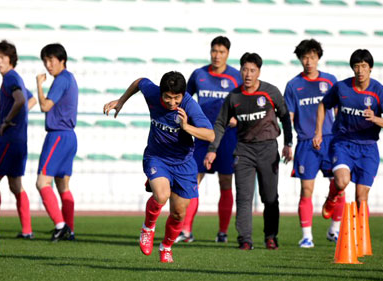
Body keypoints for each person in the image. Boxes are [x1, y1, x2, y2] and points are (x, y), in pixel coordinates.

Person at [103, 71, 214, 263]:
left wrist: (187, 127)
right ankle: (148, 228)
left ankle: (166, 246)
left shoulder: (189, 105)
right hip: (157, 157)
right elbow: (139, 81)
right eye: (168, 97)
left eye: (176, 98)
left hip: (184, 163)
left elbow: (210, 135)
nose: (172, 102)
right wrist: (121, 101)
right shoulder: (152, 92)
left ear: (183, 95)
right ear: (161, 93)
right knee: (162, 195)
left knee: (179, 213)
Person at [205, 52, 293, 250]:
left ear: (259, 72)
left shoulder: (270, 92)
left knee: (269, 197)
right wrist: (213, 150)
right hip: (243, 150)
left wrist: (288, 143)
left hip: (268, 148)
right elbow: (220, 123)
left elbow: (286, 117)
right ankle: (245, 239)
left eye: (252, 70)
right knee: (243, 197)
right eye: (245, 69)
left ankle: (271, 237)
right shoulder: (234, 96)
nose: (248, 74)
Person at [176, 36, 242, 243]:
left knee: (225, 182)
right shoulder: (199, 75)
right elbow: (183, 99)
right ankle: (185, 230)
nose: (217, 55)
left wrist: (237, 118)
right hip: (201, 135)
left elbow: (245, 102)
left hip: (227, 137)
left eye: (221, 52)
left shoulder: (236, 77)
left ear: (228, 54)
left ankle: (222, 232)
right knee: (192, 180)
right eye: (214, 51)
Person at [314, 49, 383, 218]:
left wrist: (375, 118)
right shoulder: (342, 87)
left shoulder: (379, 91)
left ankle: (361, 241)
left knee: (361, 198)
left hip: (368, 148)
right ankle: (333, 195)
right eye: (356, 66)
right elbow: (322, 105)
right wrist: (318, 132)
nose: (360, 70)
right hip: (343, 143)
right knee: (342, 182)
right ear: (352, 68)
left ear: (370, 68)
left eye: (363, 66)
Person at [284, 39, 345, 248]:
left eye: (312, 56)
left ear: (318, 57)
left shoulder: (330, 82)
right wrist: (288, 143)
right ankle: (307, 236)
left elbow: (339, 113)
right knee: (306, 190)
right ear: (300, 59)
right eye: (304, 57)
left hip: (330, 141)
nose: (308, 61)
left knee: (339, 185)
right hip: (306, 143)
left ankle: (334, 230)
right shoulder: (293, 85)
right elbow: (289, 117)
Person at [0, 40, 37, 239]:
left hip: (8, 140)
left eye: (2, 57)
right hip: (19, 140)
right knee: (15, 185)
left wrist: (7, 121)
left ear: (11, 59)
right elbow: (30, 99)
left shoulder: (10, 78)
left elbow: (20, 100)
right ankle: (27, 231)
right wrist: (20, 118)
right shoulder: (15, 78)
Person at [36, 43, 78, 242]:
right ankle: (69, 229)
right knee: (63, 185)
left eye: (51, 59)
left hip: (58, 135)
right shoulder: (69, 78)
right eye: (45, 60)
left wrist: (38, 84)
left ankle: (60, 226)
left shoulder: (62, 79)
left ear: (62, 60)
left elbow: (45, 106)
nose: (48, 64)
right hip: (69, 136)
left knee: (42, 182)